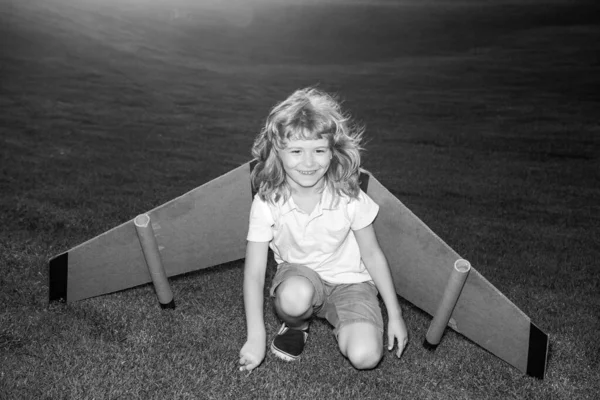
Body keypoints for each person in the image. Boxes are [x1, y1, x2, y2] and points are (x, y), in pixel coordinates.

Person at [238, 87, 408, 372]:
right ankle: (296, 325)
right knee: (294, 297)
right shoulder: (267, 201)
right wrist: (256, 337)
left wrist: (396, 314)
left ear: (333, 153)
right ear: (277, 153)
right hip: (301, 277)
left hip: (351, 284)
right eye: (296, 151)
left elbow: (372, 254)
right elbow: (254, 272)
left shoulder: (349, 196)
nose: (308, 162)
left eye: (319, 150)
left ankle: (347, 321)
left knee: (365, 357)